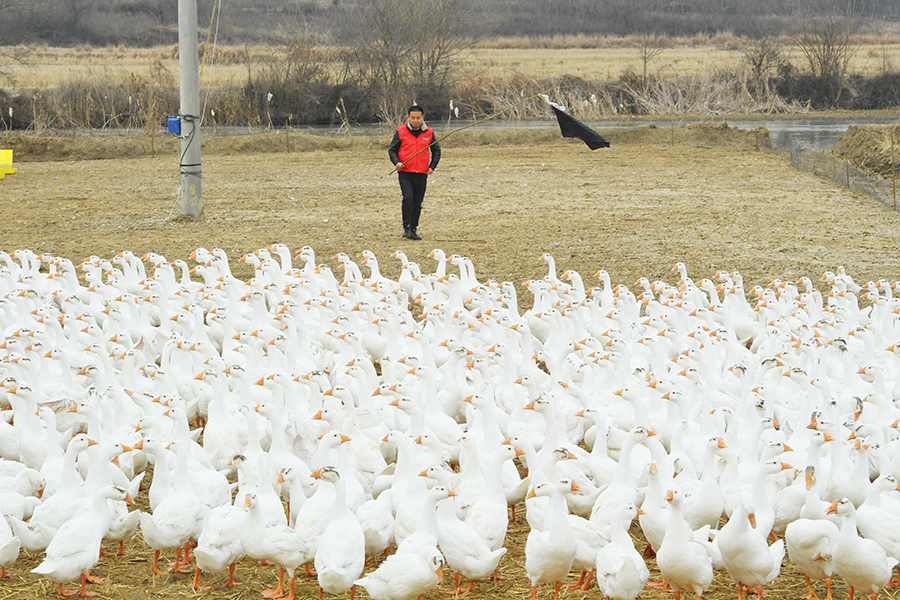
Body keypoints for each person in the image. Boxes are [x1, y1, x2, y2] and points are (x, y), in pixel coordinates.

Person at [388, 105, 441, 240]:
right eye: (413, 118)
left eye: (418, 118)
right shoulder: (400, 131)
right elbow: (392, 150)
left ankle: (413, 228)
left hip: (422, 173)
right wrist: (397, 162)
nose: (416, 120)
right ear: (408, 118)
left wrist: (432, 166)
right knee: (408, 198)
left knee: (417, 202)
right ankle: (406, 227)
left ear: (422, 118)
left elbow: (437, 150)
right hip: (405, 172)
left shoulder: (429, 132)